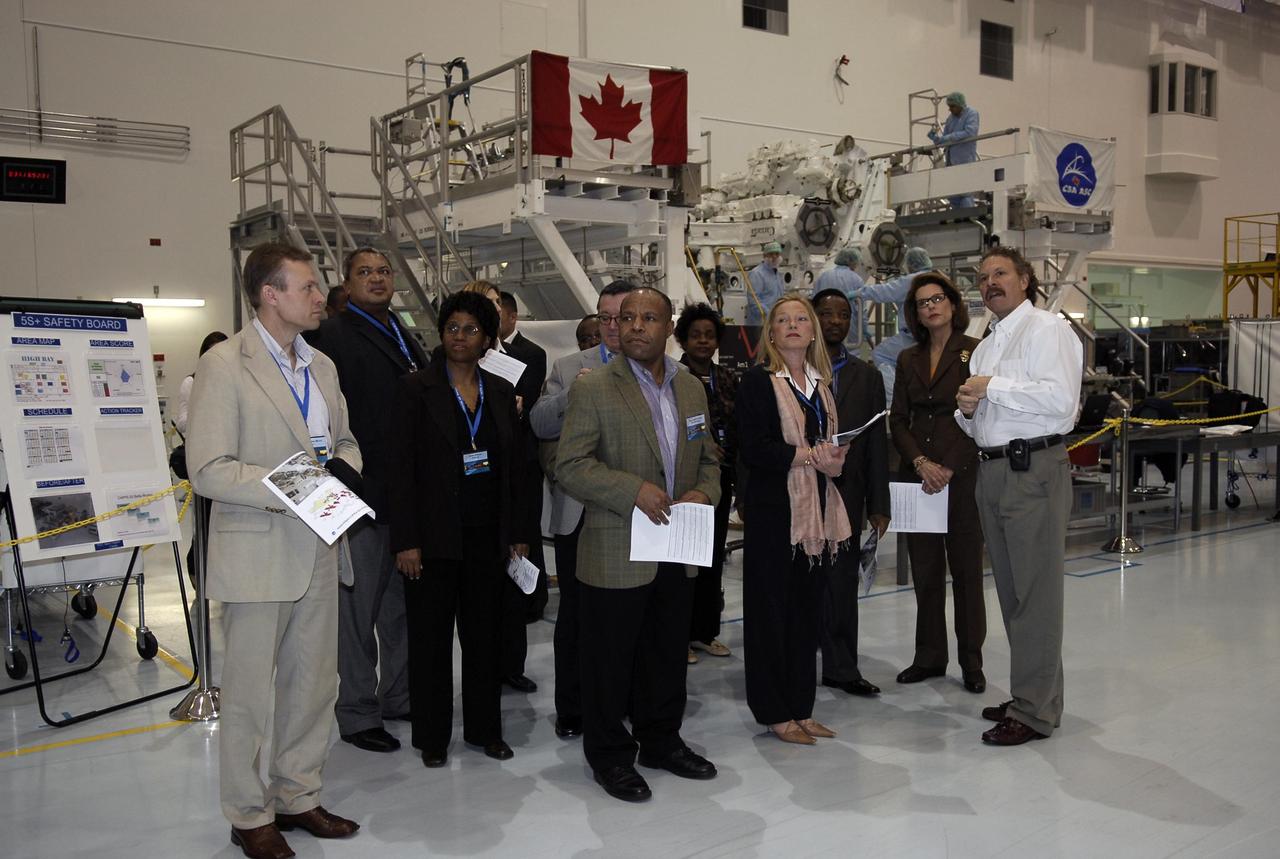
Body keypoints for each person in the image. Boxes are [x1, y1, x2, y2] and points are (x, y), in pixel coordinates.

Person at [186, 243, 362, 859]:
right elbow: (206, 468)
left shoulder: (323, 366)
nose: (321, 298)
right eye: (309, 288)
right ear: (270, 293)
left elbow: (343, 440)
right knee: (251, 696)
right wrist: (301, 487)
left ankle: (297, 794)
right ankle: (247, 812)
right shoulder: (225, 364)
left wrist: (342, 471)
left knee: (314, 684)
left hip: (320, 542)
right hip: (259, 548)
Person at [556, 287, 722, 802]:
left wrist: (703, 492)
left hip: (676, 546)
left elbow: (711, 458)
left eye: (649, 318)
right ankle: (608, 755)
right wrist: (633, 491)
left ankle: (661, 741)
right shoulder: (594, 387)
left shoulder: (691, 387)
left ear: (668, 327)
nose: (636, 327)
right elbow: (570, 465)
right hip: (616, 548)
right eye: (628, 318)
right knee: (609, 662)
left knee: (666, 654)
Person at [388, 290, 530, 767]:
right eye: (452, 328)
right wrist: (406, 539)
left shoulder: (496, 389)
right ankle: (432, 737)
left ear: (487, 338)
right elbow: (400, 471)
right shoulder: (414, 389)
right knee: (430, 643)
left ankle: (485, 731)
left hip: (487, 537)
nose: (460, 337)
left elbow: (514, 469)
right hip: (431, 541)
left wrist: (517, 533)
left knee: (484, 639)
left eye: (471, 329)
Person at [956, 246, 1082, 746]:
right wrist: (967, 409)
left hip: (1033, 470)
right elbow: (979, 420)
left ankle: (1034, 712)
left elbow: (1061, 402)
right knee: (1012, 593)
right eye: (983, 277)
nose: (990, 282)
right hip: (993, 471)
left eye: (1001, 273)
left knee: (1036, 595)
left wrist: (991, 387)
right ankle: (1033, 694)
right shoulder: (986, 345)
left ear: (1026, 280)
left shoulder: (1048, 331)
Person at [304, 247, 427, 755]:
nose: (376, 279)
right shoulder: (328, 339)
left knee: (399, 610)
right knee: (357, 614)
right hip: (361, 495)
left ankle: (397, 695)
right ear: (346, 283)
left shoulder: (407, 335)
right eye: (364, 273)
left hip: (407, 497)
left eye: (383, 271)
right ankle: (356, 712)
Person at [736, 292, 851, 745]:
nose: (793, 325)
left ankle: (802, 707)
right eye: (783, 319)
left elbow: (830, 444)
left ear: (812, 330)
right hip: (773, 516)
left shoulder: (821, 386)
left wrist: (834, 459)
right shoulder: (758, 383)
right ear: (772, 332)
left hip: (816, 517)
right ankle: (773, 711)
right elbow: (754, 448)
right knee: (769, 616)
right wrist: (808, 457)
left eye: (801, 318)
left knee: (806, 615)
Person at [529, 281, 635, 740]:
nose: (613, 327)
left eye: (623, 317)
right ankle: (572, 707)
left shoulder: (657, 368)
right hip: (580, 514)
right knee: (577, 617)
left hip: (635, 513)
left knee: (631, 615)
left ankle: (625, 700)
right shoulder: (571, 366)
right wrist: (573, 391)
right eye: (605, 318)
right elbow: (538, 422)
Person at [888, 272, 987, 694]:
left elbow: (980, 417)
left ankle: (971, 662)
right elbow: (898, 419)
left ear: (952, 304)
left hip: (961, 478)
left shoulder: (975, 352)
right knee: (926, 573)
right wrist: (921, 461)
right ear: (916, 313)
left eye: (937, 299)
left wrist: (946, 465)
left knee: (966, 574)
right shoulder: (908, 359)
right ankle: (929, 657)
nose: (931, 307)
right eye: (923, 302)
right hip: (919, 478)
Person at [812, 288, 890, 697]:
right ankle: (795, 659)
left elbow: (877, 443)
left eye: (843, 314)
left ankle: (842, 668)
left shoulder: (867, 376)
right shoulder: (788, 372)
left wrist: (880, 503)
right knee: (801, 580)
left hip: (849, 493)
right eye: (826, 313)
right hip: (800, 491)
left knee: (842, 583)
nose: (836, 321)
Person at [674, 302, 737, 663]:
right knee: (685, 559)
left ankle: (704, 632)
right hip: (687, 479)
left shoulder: (727, 378)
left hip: (721, 477)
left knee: (712, 557)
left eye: (709, 335)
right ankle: (678, 634)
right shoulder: (673, 377)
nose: (702, 341)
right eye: (695, 335)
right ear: (682, 339)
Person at [498, 290, 550, 668]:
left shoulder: (531, 354)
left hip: (522, 457)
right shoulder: (464, 358)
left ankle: (533, 597)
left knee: (526, 535)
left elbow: (524, 403)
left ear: (512, 316)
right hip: (486, 466)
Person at [855, 246, 933, 407]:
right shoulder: (937, 277)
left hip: (913, 336)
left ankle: (892, 402)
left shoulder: (911, 280)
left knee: (881, 354)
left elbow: (884, 292)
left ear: (910, 263)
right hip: (936, 335)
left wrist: (859, 293)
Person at [927, 92, 980, 208]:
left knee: (965, 192)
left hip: (965, 159)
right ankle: (957, 217)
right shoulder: (950, 119)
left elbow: (970, 132)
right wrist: (936, 138)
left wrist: (950, 137)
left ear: (959, 104)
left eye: (952, 106)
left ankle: (968, 216)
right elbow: (944, 138)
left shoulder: (972, 114)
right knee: (953, 193)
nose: (950, 109)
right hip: (951, 160)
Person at [174, 331, 228, 436]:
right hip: (202, 446)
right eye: (213, 354)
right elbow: (181, 424)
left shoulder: (236, 383)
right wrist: (205, 412)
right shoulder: (191, 383)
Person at [744, 241, 785, 327]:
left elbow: (780, 296)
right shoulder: (757, 274)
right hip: (760, 323)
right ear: (764, 256)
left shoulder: (777, 273)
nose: (774, 257)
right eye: (771, 254)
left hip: (775, 321)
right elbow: (754, 301)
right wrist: (769, 314)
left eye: (777, 254)